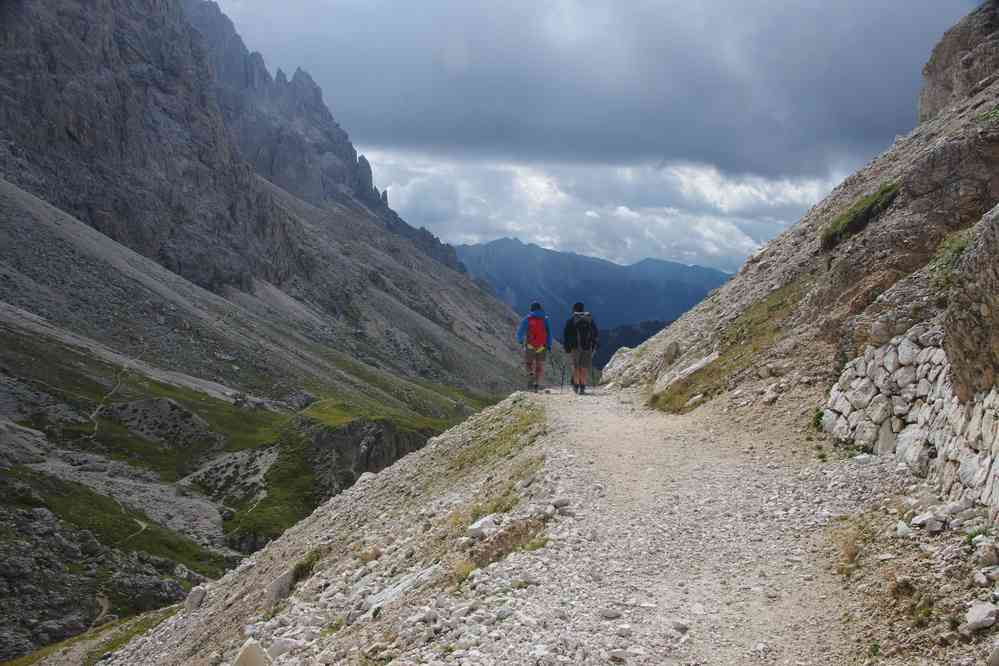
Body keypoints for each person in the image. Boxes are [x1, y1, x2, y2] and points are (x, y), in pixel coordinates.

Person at [516, 301, 552, 391]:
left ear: (531, 309)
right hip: (542, 347)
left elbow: (520, 331)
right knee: (539, 366)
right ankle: (537, 384)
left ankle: (531, 373)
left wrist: (520, 341)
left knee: (529, 363)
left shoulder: (528, 318)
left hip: (530, 346)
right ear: (540, 308)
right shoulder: (545, 319)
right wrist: (549, 345)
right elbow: (549, 333)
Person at [563, 302, 598, 394]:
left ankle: (576, 385)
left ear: (574, 309)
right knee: (584, 368)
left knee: (575, 367)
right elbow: (595, 333)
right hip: (587, 347)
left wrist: (567, 348)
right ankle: (583, 387)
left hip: (575, 347)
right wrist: (594, 345)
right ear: (583, 309)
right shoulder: (589, 320)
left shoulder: (571, 321)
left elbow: (566, 336)